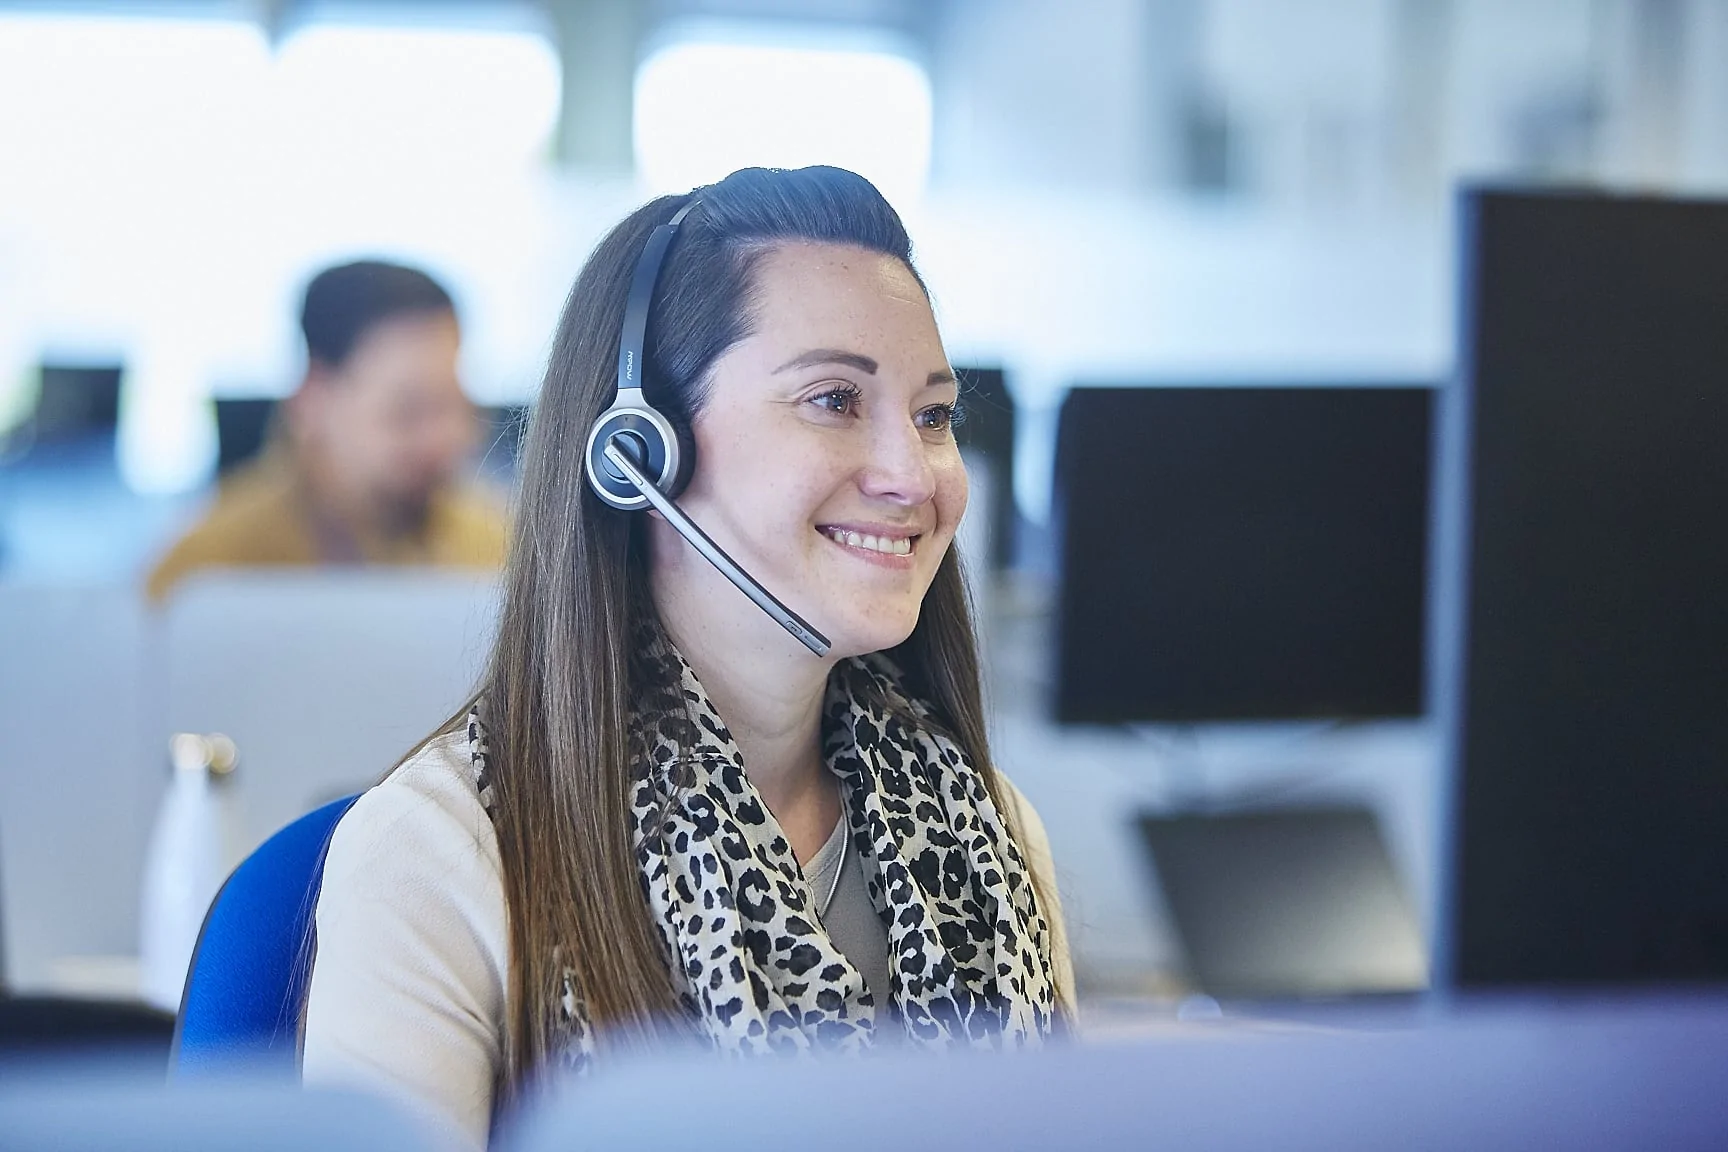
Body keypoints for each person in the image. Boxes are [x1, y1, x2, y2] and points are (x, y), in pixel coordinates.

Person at [300, 167, 1075, 1148]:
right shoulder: (445, 856)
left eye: (933, 415)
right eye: (836, 399)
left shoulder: (991, 833)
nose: (913, 474)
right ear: (638, 452)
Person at [145, 260, 507, 601]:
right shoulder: (204, 578)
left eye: (454, 407)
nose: (444, 439)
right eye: (406, 413)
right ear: (312, 400)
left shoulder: (498, 552)